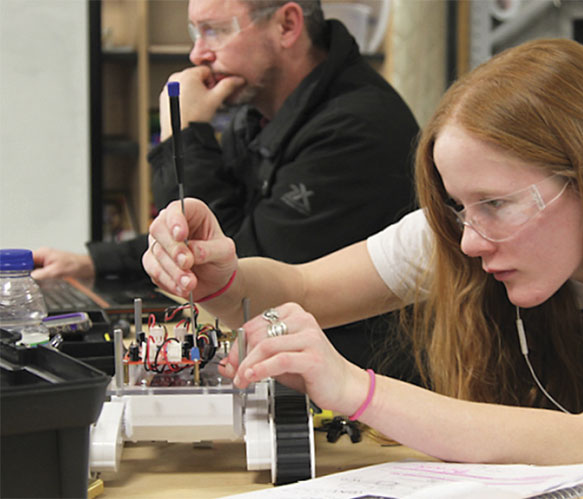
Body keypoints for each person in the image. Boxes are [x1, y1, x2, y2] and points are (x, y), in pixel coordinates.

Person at [142, 38, 583, 493]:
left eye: (495, 204)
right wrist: (223, 277)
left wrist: (351, 388)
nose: (468, 241)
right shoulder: (463, 229)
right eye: (459, 207)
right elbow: (306, 290)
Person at [32, 0, 421, 373]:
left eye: (214, 31)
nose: (197, 53)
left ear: (287, 25)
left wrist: (181, 135)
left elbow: (234, 271)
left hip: (359, 396)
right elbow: (211, 233)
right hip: (289, 365)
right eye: (194, 33)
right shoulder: (257, 114)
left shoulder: (358, 128)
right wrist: (94, 264)